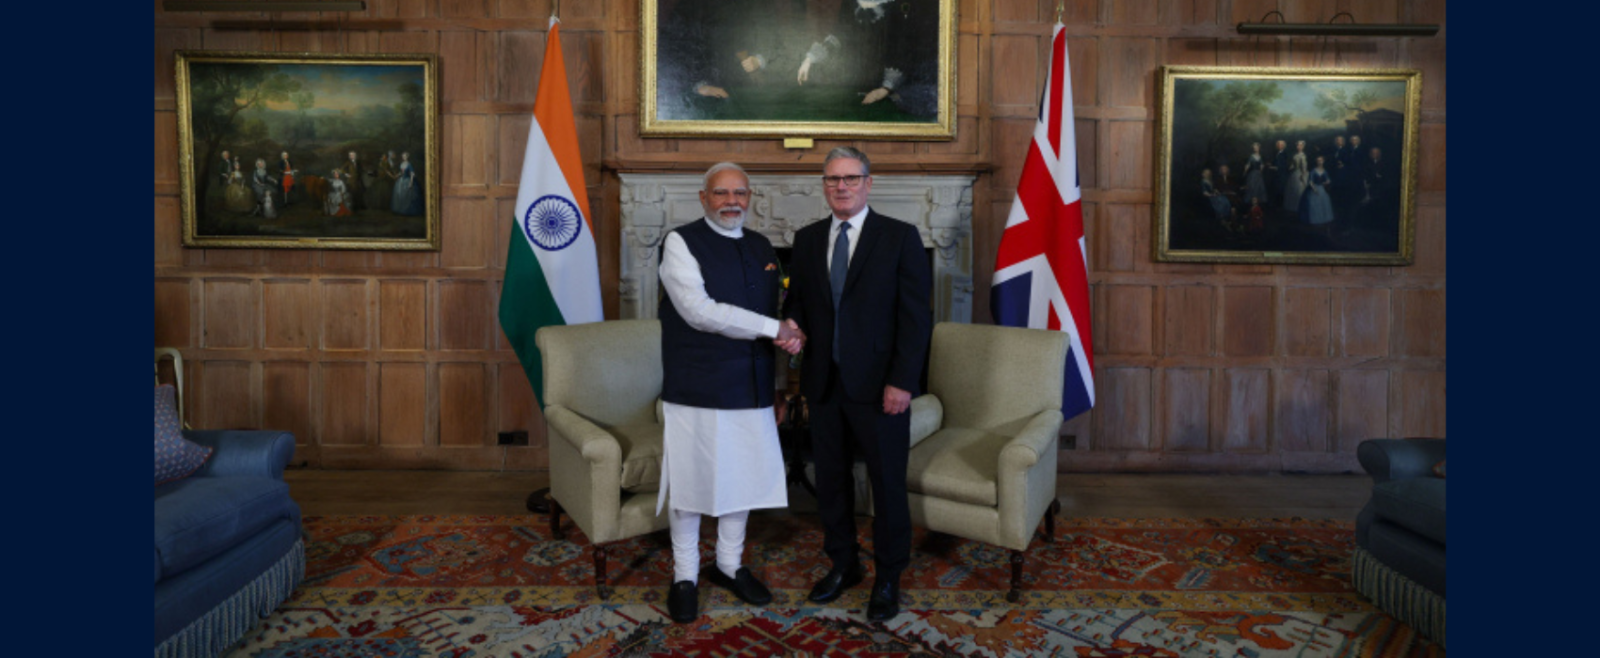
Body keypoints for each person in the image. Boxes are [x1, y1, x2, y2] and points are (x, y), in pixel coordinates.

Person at [784, 146, 932, 622]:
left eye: (850, 178)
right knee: (830, 481)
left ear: (869, 183)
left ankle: (889, 576)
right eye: (832, 180)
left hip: (881, 389)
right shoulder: (806, 240)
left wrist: (902, 383)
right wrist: (792, 327)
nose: (841, 187)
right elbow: (801, 306)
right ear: (824, 186)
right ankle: (844, 564)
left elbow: (915, 321)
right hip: (824, 384)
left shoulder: (900, 237)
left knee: (887, 485)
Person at [655, 162, 805, 624]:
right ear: (703, 198)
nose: (731, 201)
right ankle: (684, 576)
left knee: (740, 480)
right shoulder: (680, 242)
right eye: (721, 193)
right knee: (690, 481)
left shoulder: (762, 246)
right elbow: (700, 312)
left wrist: (780, 387)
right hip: (697, 384)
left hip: (754, 385)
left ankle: (728, 565)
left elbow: (773, 317)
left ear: (750, 196)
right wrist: (774, 327)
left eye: (740, 192)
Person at [1299, 155, 1336, 230]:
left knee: (1324, 204)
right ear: (1316, 162)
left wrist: (1326, 182)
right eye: (1318, 160)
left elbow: (1328, 179)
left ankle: (1323, 220)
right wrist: (1314, 189)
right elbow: (1310, 182)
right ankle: (1315, 221)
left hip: (1322, 189)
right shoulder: (1313, 171)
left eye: (1321, 160)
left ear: (1323, 161)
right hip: (1315, 189)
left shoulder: (1325, 170)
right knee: (1314, 205)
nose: (1320, 162)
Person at [1282, 140, 1308, 214]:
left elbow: (1304, 167)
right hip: (1295, 174)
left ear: (1303, 147)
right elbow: (1293, 165)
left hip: (1300, 174)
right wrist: (1290, 167)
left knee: (1300, 191)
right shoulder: (1295, 155)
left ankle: (1301, 208)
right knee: (1293, 191)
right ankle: (1294, 208)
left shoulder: (1303, 156)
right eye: (1297, 145)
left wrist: (1303, 176)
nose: (1298, 147)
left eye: (1300, 145)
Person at [1242, 143, 1269, 210]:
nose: (1255, 149)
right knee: (1252, 188)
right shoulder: (1251, 156)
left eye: (1256, 147)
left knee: (1259, 188)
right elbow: (1248, 165)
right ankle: (1251, 205)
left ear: (1259, 148)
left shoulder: (1260, 156)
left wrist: (1261, 171)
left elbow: (1262, 165)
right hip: (1252, 174)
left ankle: (1257, 205)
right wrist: (1245, 171)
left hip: (1258, 174)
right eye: (1254, 148)